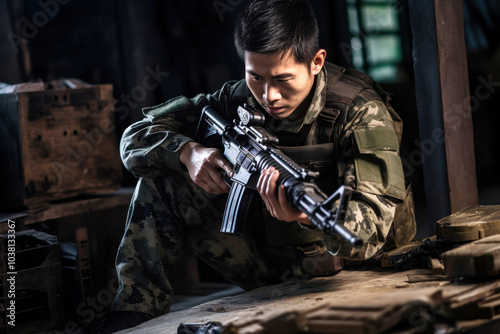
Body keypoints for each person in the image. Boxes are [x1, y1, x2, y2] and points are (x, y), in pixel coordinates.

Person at [97, 0, 415, 332]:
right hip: (271, 264)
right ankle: (137, 307)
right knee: (159, 179)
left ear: (317, 62)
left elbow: (372, 230)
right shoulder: (232, 100)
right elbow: (134, 138)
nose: (269, 95)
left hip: (352, 267)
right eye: (256, 77)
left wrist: (307, 215)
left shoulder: (360, 111)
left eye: (283, 79)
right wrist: (188, 152)